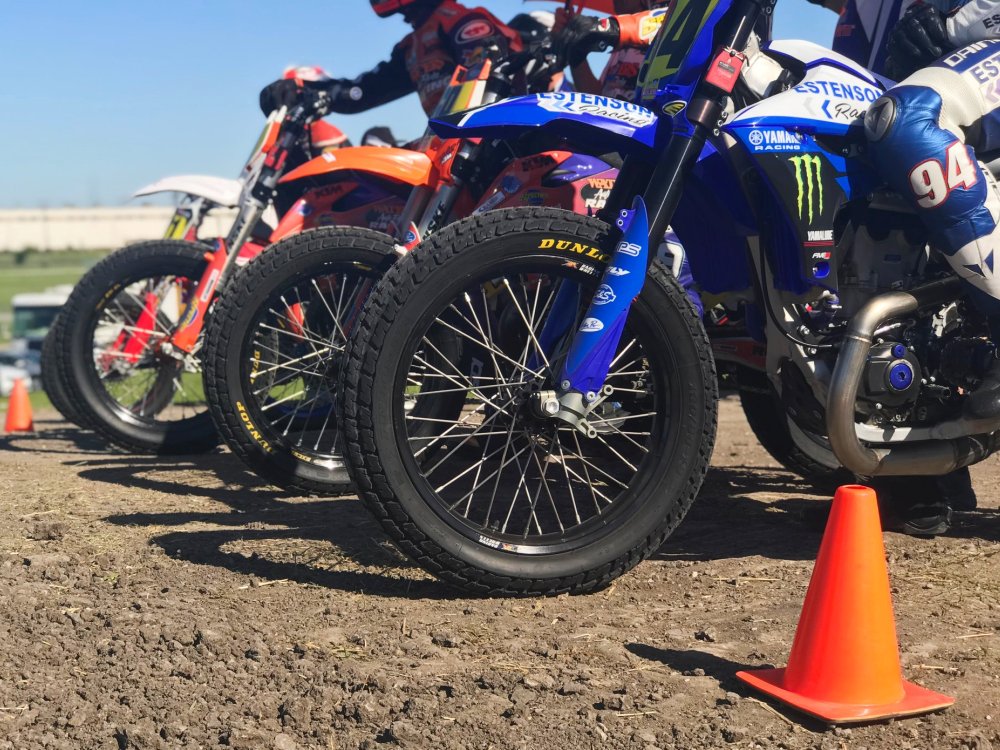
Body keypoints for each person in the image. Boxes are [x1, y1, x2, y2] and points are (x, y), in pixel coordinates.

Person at [259, 0, 522, 119]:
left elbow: (494, 80)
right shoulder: (412, 47)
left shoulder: (462, 20)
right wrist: (306, 89)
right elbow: (363, 92)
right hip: (450, 145)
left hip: (504, 140)